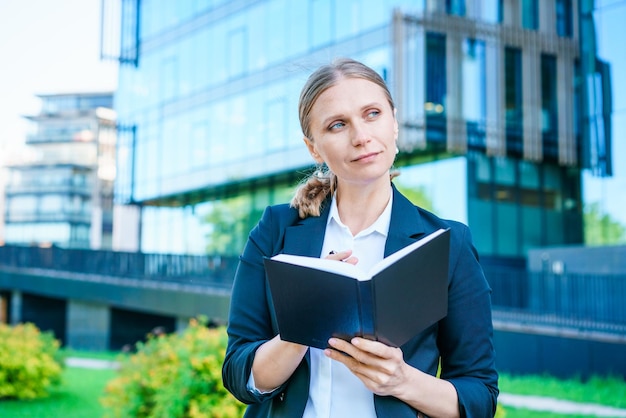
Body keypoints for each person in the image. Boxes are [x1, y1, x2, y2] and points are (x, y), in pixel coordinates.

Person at [222, 58, 498, 417]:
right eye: (338, 124)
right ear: (314, 149)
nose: (361, 137)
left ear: (394, 122)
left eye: (372, 114)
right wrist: (301, 324)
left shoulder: (448, 244)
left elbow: (480, 395)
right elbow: (238, 374)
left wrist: (400, 380)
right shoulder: (274, 231)